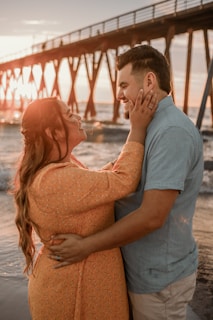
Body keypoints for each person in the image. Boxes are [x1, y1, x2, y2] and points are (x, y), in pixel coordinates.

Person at [48, 45, 204, 320]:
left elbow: (152, 217)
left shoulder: (170, 132)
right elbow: (125, 178)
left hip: (158, 279)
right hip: (143, 272)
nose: (119, 94)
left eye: (123, 85)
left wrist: (85, 246)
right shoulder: (147, 123)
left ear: (149, 81)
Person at [12, 93, 157, 320]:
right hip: (73, 293)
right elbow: (123, 181)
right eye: (69, 114)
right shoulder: (56, 180)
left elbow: (99, 180)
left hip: (72, 284)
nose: (78, 116)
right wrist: (137, 129)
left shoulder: (59, 169)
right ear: (54, 133)